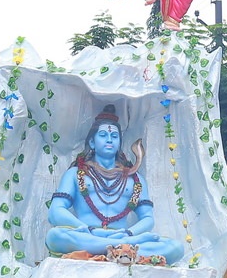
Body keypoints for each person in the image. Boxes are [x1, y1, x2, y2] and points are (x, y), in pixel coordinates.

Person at [45, 104, 182, 262]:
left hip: (122, 236)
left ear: (119, 144)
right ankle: (119, 248)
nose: (109, 139)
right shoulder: (76, 174)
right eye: (103, 135)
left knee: (175, 248)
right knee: (55, 236)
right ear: (92, 142)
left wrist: (128, 234)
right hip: (88, 235)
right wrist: (88, 229)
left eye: (114, 136)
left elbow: (147, 218)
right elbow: (55, 212)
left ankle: (115, 247)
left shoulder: (135, 179)